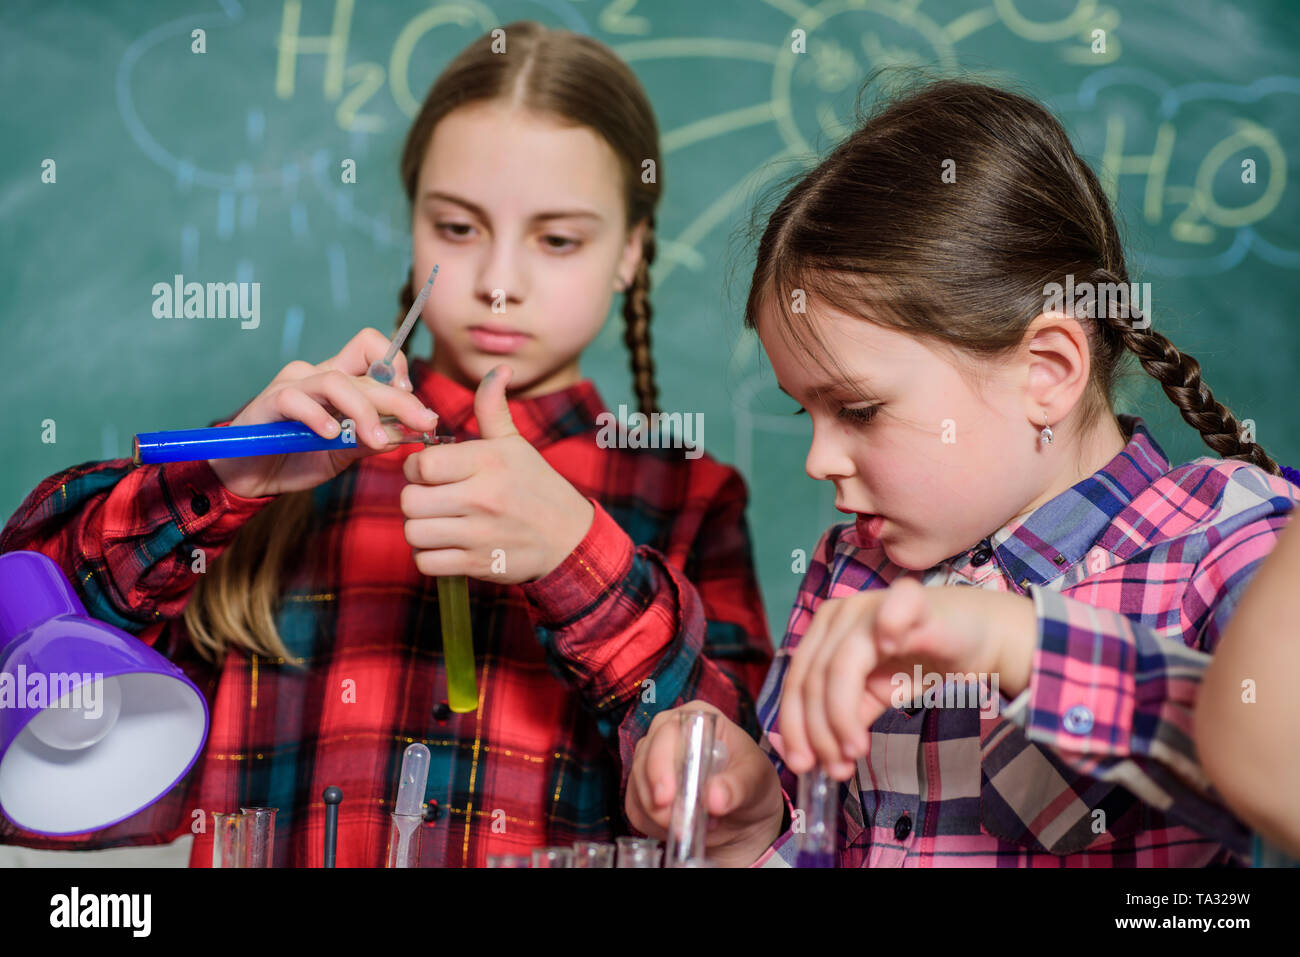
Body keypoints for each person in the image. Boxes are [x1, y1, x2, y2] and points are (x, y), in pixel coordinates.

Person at [1, 22, 771, 866]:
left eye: (557, 239)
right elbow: (29, 669)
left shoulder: (688, 494)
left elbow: (740, 803)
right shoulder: (286, 462)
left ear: (630, 250)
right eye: (457, 227)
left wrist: (573, 553)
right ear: (412, 223)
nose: (500, 282)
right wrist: (219, 477)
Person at [626, 76, 1297, 867]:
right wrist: (750, 826)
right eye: (807, 412)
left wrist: (1016, 640)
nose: (817, 458)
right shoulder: (852, 575)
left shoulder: (1231, 546)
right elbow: (814, 845)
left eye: (860, 410)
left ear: (1045, 372)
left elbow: (1267, 756)